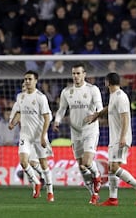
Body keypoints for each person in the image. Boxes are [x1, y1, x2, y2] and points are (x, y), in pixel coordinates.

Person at [85, 72, 136, 206]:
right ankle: (113, 199)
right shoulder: (114, 95)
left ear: (107, 82)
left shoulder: (121, 97)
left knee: (113, 167)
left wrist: (123, 136)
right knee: (112, 166)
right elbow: (110, 107)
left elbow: (125, 117)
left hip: (121, 137)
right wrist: (98, 114)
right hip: (115, 137)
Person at [53, 63, 103, 205]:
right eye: (74, 73)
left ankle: (97, 175)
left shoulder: (93, 90)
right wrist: (57, 121)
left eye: (78, 73)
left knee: (87, 162)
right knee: (81, 166)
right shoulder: (67, 92)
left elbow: (99, 107)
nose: (76, 76)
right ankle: (93, 194)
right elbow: (62, 109)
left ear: (84, 74)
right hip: (75, 132)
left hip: (90, 129)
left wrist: (95, 115)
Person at [9, 71, 54, 202]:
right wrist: (13, 122)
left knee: (43, 163)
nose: (27, 81)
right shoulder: (20, 97)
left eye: (30, 79)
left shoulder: (41, 97)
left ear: (36, 81)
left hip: (38, 135)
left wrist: (43, 136)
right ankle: (36, 182)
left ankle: (50, 192)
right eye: (26, 79)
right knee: (23, 162)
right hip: (25, 134)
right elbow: (19, 112)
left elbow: (47, 118)